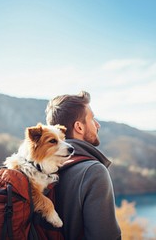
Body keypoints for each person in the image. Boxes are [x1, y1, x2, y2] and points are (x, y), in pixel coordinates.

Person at [45, 91, 121, 240]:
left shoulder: (40, 169)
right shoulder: (93, 171)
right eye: (92, 119)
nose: (98, 125)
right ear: (79, 127)